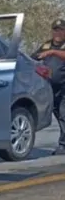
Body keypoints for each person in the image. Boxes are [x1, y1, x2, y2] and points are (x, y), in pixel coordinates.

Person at [30, 19, 65, 155]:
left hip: (64, 87)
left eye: (61, 30)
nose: (57, 32)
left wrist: (52, 53)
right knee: (56, 114)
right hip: (50, 88)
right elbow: (33, 58)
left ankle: (63, 145)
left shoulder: (53, 49)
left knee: (63, 114)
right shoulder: (46, 45)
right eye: (55, 29)